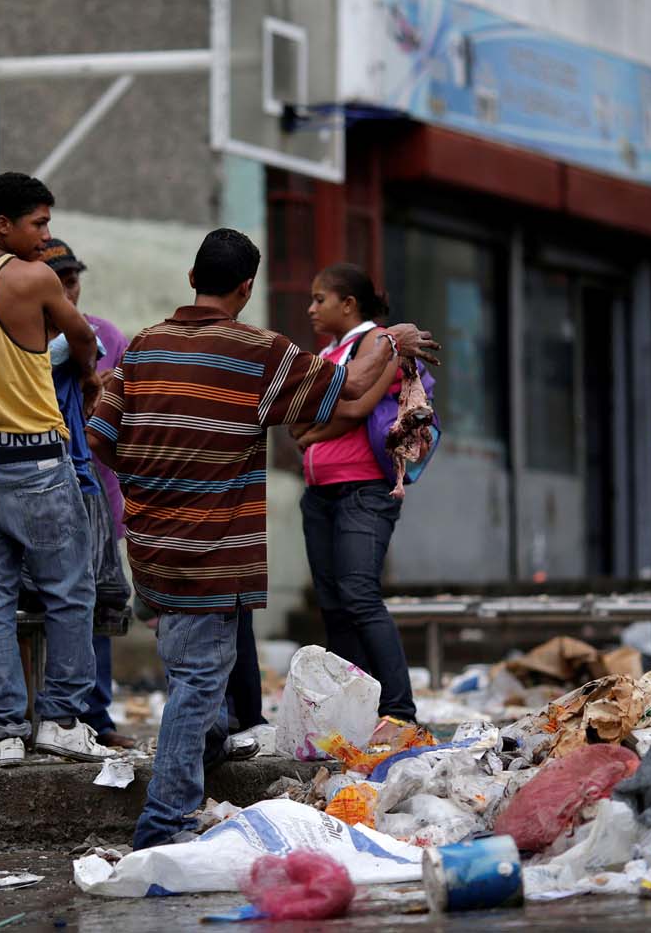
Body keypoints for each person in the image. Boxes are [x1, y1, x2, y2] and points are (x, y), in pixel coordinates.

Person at [87, 229, 439, 848]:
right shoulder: (259, 352)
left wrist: (153, 486)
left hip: (150, 547)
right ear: (246, 288)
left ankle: (218, 736)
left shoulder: (141, 347)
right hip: (214, 549)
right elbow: (351, 391)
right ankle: (163, 824)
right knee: (196, 681)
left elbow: (98, 438)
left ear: (192, 278)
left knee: (199, 671)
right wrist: (390, 339)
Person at [0, 172, 116, 766]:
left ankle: (3, 732)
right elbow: (83, 336)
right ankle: (60, 720)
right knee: (68, 592)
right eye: (38, 223)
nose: (46, 237)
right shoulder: (33, 279)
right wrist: (86, 376)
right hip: (34, 458)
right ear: (2, 224)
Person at [292, 262, 418, 740]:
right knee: (333, 604)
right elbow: (297, 413)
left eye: (319, 298)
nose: (311, 308)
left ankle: (400, 710)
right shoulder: (329, 352)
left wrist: (309, 434)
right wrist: (308, 426)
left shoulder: (379, 343)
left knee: (360, 596)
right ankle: (354, 712)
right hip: (320, 493)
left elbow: (354, 407)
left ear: (348, 304)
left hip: (363, 489)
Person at [39, 239, 135, 749]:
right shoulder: (22, 335)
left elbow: (122, 410)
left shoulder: (107, 336)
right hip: (41, 492)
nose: (68, 288)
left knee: (95, 599)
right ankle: (52, 714)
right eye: (58, 280)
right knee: (51, 602)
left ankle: (95, 714)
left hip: (97, 487)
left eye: (73, 278)